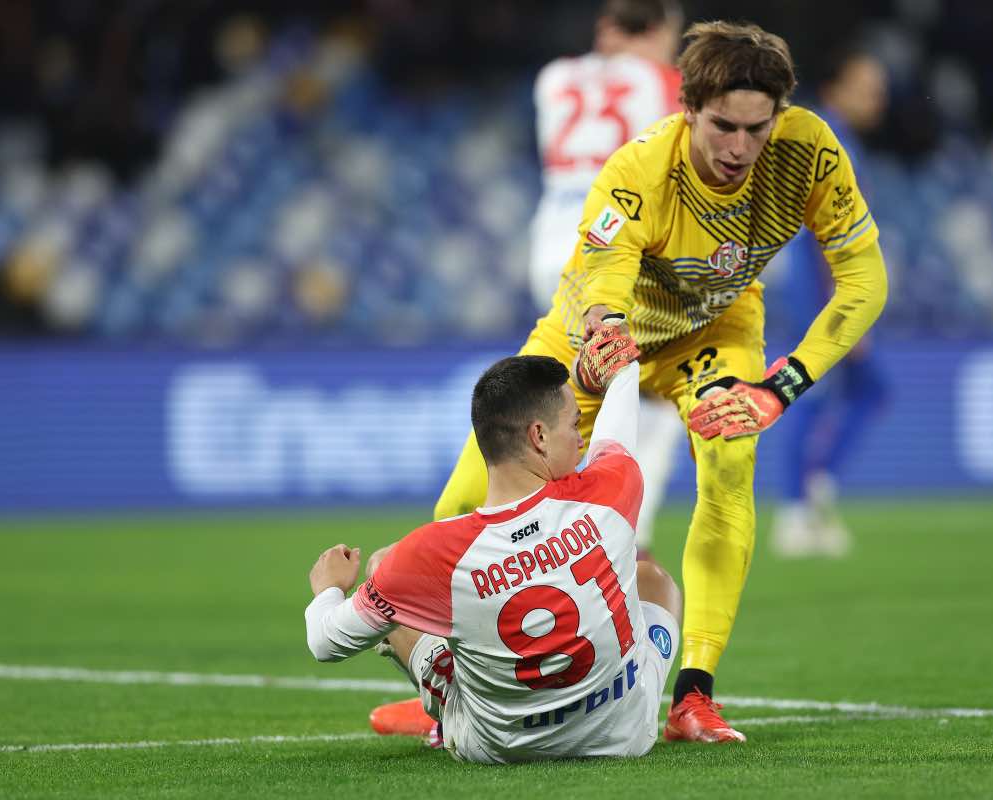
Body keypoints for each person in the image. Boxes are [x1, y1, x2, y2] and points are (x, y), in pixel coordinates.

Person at [435, 20, 888, 743]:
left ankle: (694, 696)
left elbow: (865, 279)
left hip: (713, 330)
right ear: (687, 110)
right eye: (723, 126)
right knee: (465, 496)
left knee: (731, 462)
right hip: (594, 331)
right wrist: (604, 340)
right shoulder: (636, 172)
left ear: (780, 116)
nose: (740, 147)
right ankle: (446, 689)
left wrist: (780, 387)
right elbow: (602, 288)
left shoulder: (809, 151)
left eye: (757, 127)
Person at [305, 338, 684, 763]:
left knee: (384, 569)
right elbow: (618, 429)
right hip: (625, 733)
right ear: (539, 436)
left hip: (497, 747)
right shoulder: (610, 490)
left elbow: (325, 642)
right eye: (574, 425)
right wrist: (619, 365)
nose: (580, 441)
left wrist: (327, 589)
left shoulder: (435, 552)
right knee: (654, 581)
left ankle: (445, 711)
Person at [529, 0, 685, 555]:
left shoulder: (554, 77)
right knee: (652, 399)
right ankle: (622, 536)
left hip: (550, 242)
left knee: (563, 397)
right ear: (661, 31)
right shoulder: (665, 80)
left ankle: (542, 530)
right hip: (611, 249)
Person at [770, 47, 891, 558]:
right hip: (818, 285)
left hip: (810, 281)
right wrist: (846, 307)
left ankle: (811, 492)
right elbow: (826, 233)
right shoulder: (834, 141)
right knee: (813, 390)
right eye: (866, 88)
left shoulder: (832, 139)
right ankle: (798, 507)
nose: (877, 100)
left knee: (863, 390)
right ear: (837, 89)